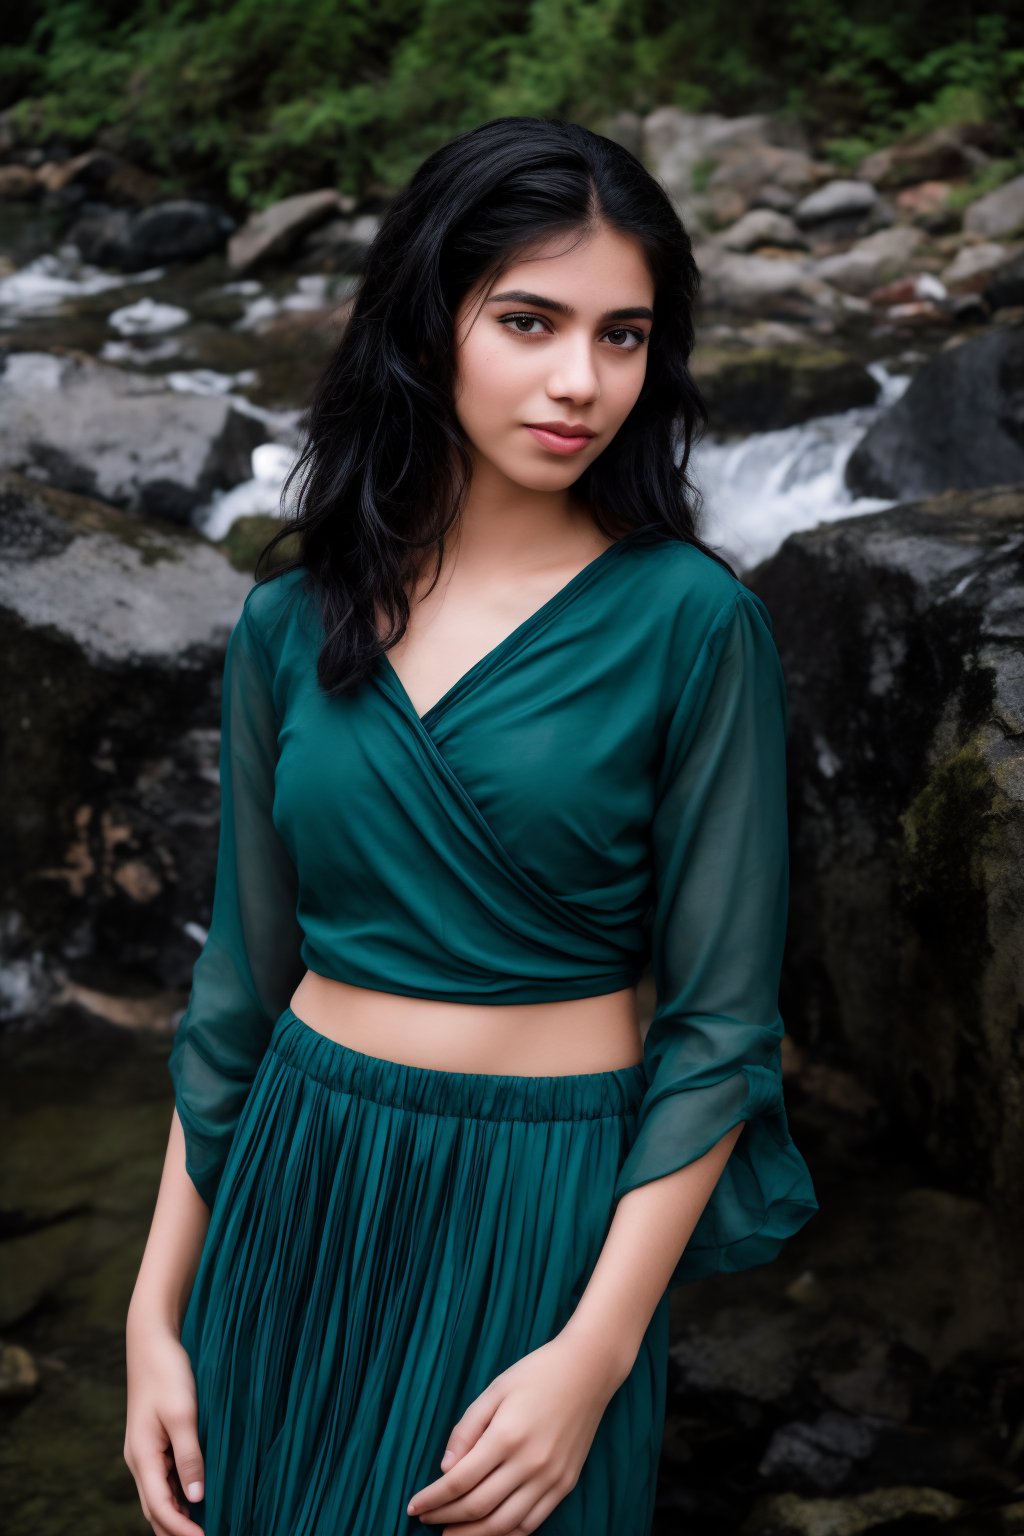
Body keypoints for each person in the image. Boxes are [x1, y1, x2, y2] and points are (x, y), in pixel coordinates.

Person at [124, 114, 819, 1536]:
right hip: (298, 1177)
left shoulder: (693, 624)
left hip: (545, 1199)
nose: (582, 382)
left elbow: (719, 1029)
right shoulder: (287, 623)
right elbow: (236, 998)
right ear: (426, 319)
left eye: (623, 336)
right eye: (529, 320)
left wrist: (598, 1349)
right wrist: (152, 1314)